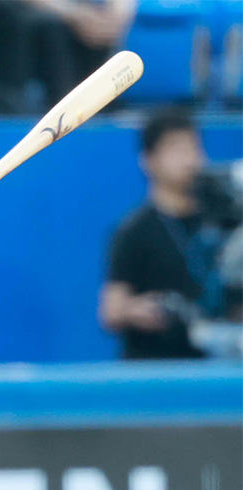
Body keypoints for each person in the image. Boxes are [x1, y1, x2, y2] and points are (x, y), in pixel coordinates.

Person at [99, 109, 217, 359]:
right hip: (153, 369)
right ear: (149, 160)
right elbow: (110, 311)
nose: (189, 159)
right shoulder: (133, 231)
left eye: (193, 147)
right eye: (176, 149)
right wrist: (137, 310)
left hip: (212, 369)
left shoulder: (219, 224)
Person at [23, 0, 137, 107]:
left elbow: (119, 10)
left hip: (95, 29)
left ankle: (100, 103)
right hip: (45, 24)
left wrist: (115, 17)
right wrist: (73, 14)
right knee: (50, 25)